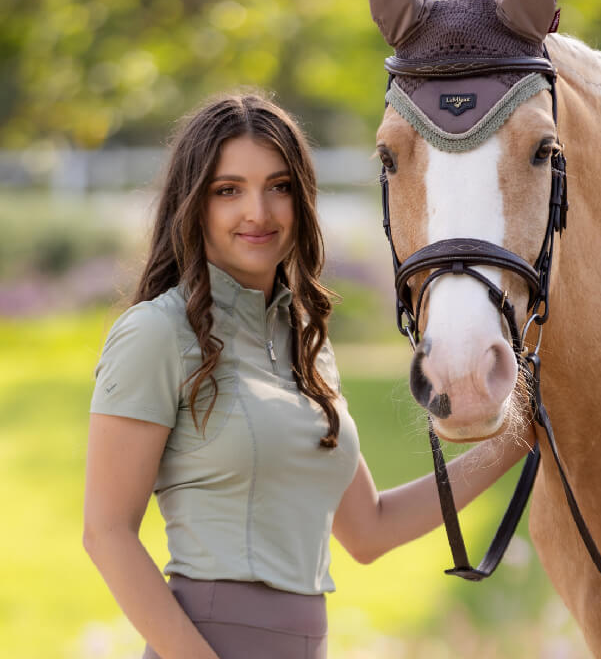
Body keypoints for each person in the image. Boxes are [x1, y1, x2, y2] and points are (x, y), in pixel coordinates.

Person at [83, 91, 533, 659]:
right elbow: (107, 532)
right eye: (229, 191)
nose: (259, 213)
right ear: (194, 203)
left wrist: (522, 432)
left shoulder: (304, 342)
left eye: (280, 187)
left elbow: (370, 529)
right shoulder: (156, 333)